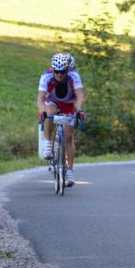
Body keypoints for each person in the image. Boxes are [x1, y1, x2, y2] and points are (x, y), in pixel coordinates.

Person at [37, 52, 86, 187]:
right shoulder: (46, 76)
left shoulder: (74, 76)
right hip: (52, 102)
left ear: (68, 70)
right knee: (50, 112)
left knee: (68, 137)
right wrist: (42, 111)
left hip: (68, 104)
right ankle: (48, 144)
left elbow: (80, 96)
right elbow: (40, 99)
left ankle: (69, 170)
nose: (59, 75)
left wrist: (79, 110)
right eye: (57, 72)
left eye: (63, 72)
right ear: (53, 70)